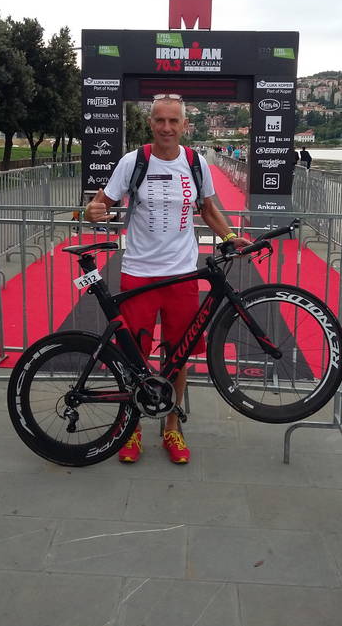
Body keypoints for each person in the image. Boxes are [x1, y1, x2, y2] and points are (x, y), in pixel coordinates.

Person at [84, 95, 250, 465]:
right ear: (151, 124)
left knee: (178, 356)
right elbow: (100, 203)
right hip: (139, 273)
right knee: (136, 356)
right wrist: (90, 212)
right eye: (160, 120)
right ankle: (131, 427)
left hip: (182, 274)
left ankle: (172, 426)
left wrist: (229, 237)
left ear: (184, 125)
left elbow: (208, 209)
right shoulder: (134, 161)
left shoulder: (195, 162)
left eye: (174, 121)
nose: (166, 127)